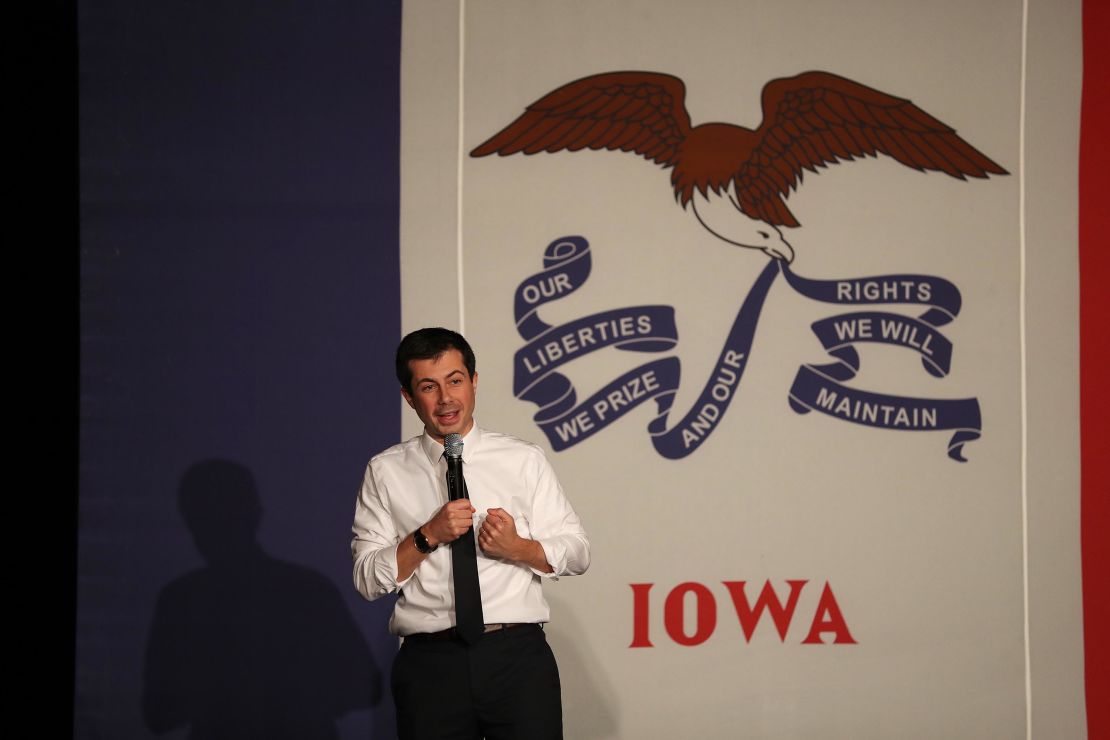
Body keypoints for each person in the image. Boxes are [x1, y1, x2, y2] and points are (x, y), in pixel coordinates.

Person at [351, 327, 590, 739]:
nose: (446, 399)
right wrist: (426, 535)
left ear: (474, 381)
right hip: (430, 666)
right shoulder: (386, 471)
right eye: (429, 386)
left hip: (516, 659)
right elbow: (367, 580)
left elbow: (577, 552)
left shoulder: (522, 459)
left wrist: (520, 548)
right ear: (409, 397)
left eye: (455, 381)